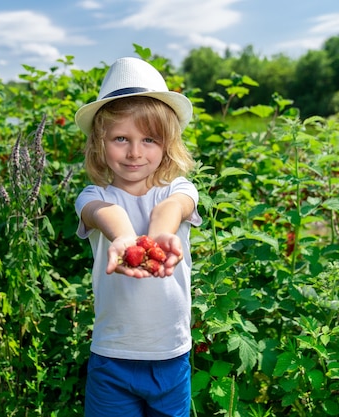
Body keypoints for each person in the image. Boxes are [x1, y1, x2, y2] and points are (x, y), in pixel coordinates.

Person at [74, 57, 202, 417]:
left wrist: (158, 238)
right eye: (120, 139)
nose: (134, 152)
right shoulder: (93, 196)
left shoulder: (177, 189)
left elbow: (173, 208)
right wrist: (126, 240)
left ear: (167, 144)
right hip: (112, 355)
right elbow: (105, 215)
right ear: (100, 142)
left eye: (149, 139)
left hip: (170, 355)